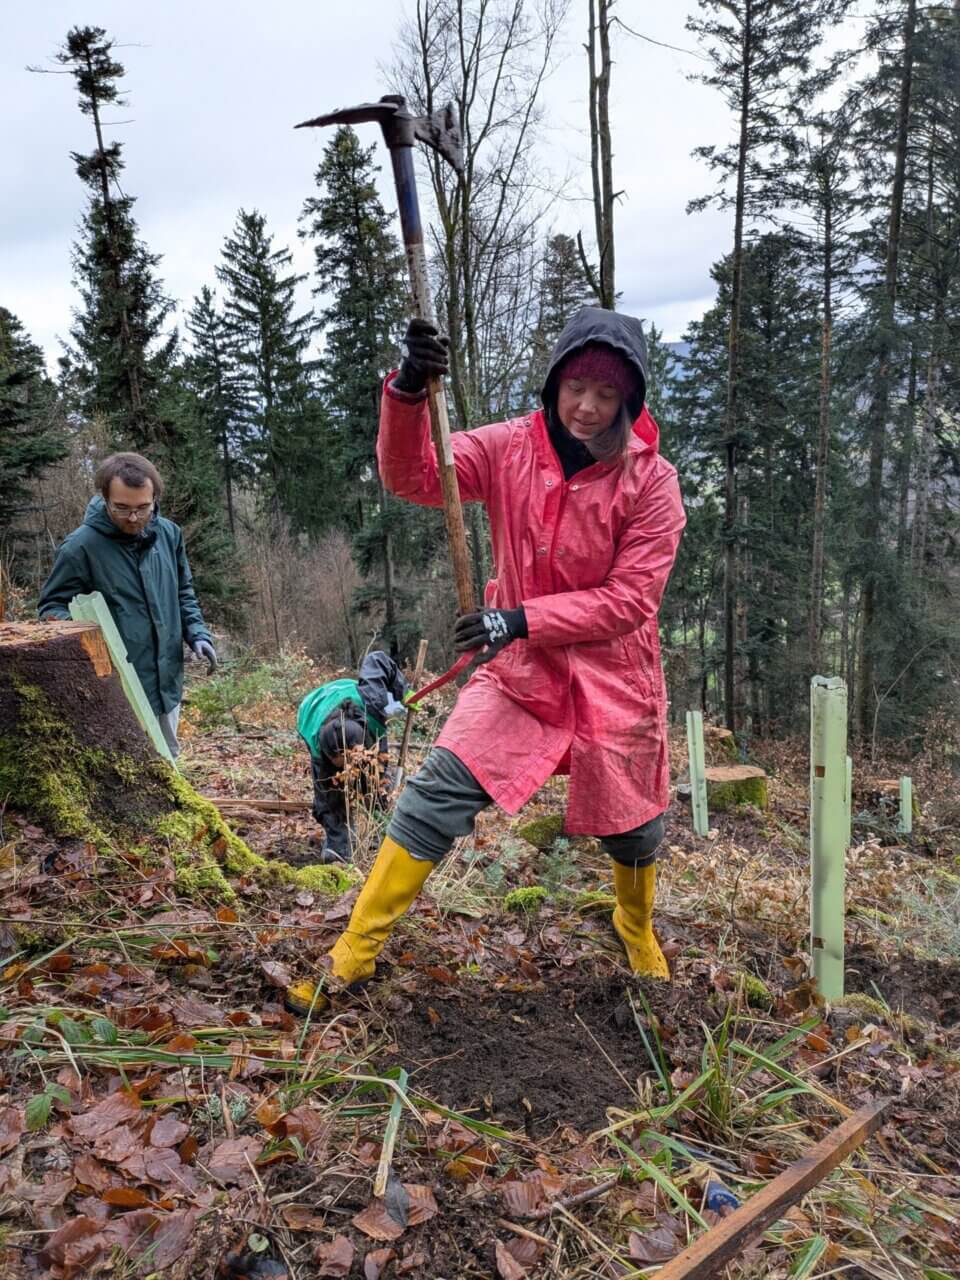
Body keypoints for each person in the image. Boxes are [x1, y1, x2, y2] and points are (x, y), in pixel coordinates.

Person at [324, 306, 686, 989]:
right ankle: (355, 948)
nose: (587, 406)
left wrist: (519, 619)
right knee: (436, 793)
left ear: (629, 400)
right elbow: (415, 475)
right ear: (554, 384)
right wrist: (408, 391)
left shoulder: (653, 482)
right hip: (521, 675)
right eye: (576, 387)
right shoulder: (508, 448)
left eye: (606, 393)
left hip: (614, 680)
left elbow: (630, 600)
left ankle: (634, 925)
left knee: (635, 827)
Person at [37, 452, 217, 758]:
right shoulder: (80, 547)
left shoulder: (169, 535)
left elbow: (183, 592)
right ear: (105, 498)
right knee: (128, 766)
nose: (133, 518)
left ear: (154, 499)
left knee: (168, 762)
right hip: (117, 686)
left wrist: (197, 633)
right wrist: (89, 642)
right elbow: (51, 608)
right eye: (121, 508)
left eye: (142, 508)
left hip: (167, 681)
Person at [296, 651, 410, 864]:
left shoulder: (372, 703)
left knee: (376, 783)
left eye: (352, 761)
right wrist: (339, 849)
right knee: (332, 797)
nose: (348, 768)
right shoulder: (318, 748)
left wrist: (403, 692)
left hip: (357, 706)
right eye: (342, 764)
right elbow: (326, 803)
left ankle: (383, 833)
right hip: (314, 706)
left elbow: (377, 659)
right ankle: (340, 849)